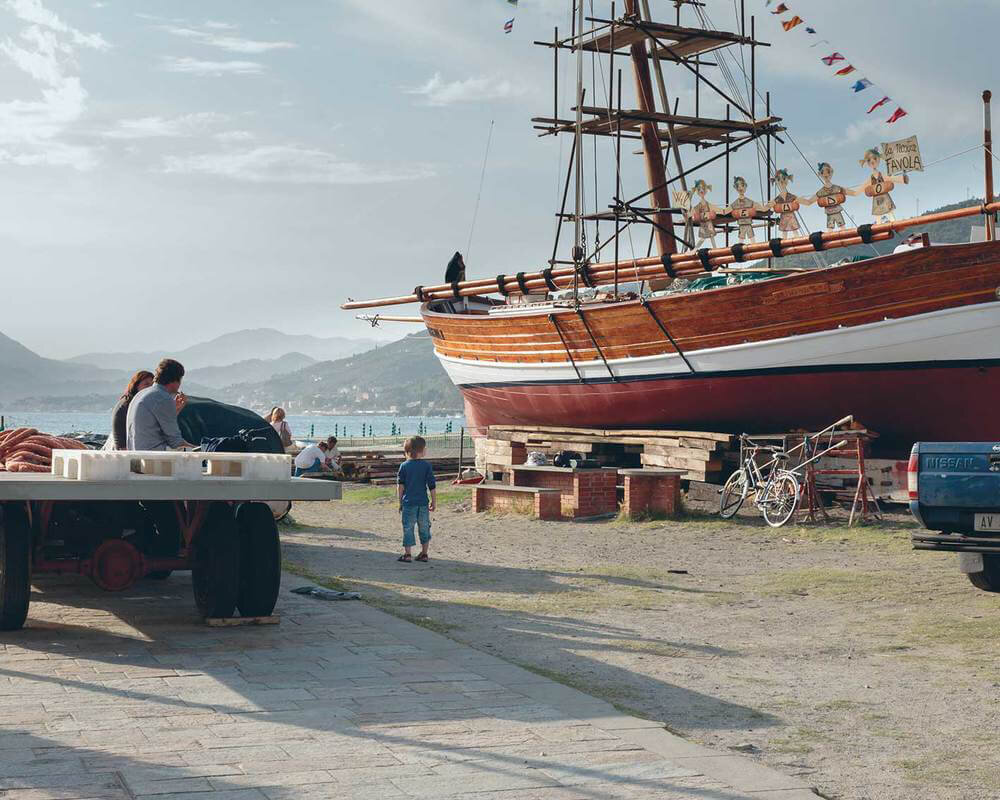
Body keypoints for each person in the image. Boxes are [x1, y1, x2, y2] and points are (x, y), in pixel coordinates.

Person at [126, 359, 194, 451]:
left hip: (136, 456)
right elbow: (176, 442)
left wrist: (175, 411)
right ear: (175, 380)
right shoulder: (163, 398)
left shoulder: (140, 394)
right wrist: (203, 451)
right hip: (154, 459)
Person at [396, 435, 436, 563]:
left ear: (407, 452)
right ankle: (424, 553)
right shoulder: (426, 466)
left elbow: (400, 486)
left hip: (409, 503)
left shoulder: (404, 466)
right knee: (424, 528)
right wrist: (434, 501)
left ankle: (408, 554)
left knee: (408, 528)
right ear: (421, 451)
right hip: (423, 503)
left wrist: (400, 502)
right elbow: (432, 486)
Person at [109, 370, 153, 450]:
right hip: (124, 452)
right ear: (136, 386)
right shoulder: (128, 405)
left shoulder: (140, 404)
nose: (150, 388)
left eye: (152, 385)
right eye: (146, 384)